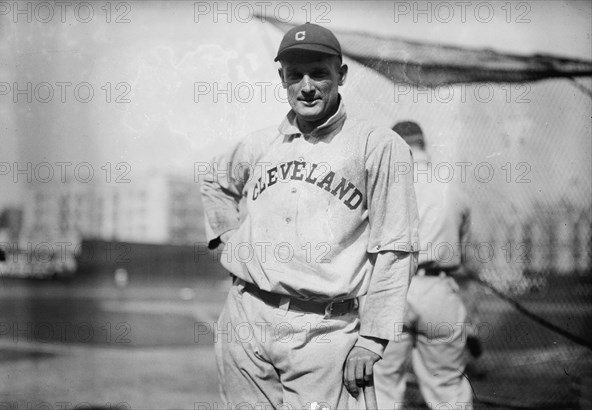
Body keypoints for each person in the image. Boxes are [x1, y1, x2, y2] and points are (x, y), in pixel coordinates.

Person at [201, 22, 420, 409]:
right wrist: (225, 241)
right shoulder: (259, 143)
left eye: (319, 72)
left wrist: (372, 339)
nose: (306, 86)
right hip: (245, 315)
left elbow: (396, 246)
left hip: (323, 328)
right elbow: (215, 182)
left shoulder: (377, 146)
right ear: (281, 79)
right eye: (294, 75)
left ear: (342, 74)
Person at [373, 121, 474, 409]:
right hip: (439, 287)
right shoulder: (452, 190)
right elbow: (460, 251)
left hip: (392, 287)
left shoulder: (386, 185)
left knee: (381, 384)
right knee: (446, 386)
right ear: (423, 145)